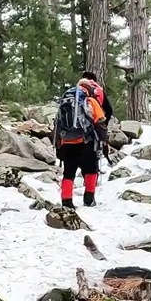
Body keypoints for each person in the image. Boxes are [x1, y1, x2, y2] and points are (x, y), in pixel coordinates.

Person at [54, 77, 107, 208]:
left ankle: (66, 201)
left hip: (67, 143)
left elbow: (57, 125)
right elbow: (100, 123)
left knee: (68, 173)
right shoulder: (91, 101)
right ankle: (89, 199)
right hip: (86, 143)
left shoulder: (65, 102)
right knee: (91, 170)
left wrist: (58, 146)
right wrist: (103, 142)